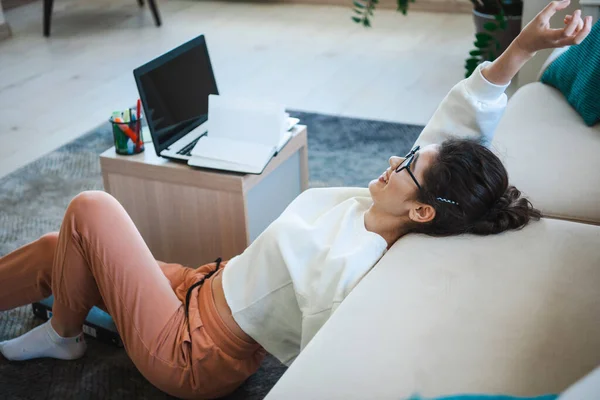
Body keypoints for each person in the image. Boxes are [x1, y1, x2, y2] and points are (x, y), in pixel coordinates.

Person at [0, 2, 592, 399]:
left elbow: (335, 364)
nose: (395, 160)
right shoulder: (394, 201)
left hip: (191, 350)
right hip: (196, 284)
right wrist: (526, 44)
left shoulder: (360, 267)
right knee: (60, 249)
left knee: (91, 209)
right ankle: (66, 324)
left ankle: (64, 335)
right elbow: (460, 123)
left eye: (408, 168)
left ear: (423, 212)